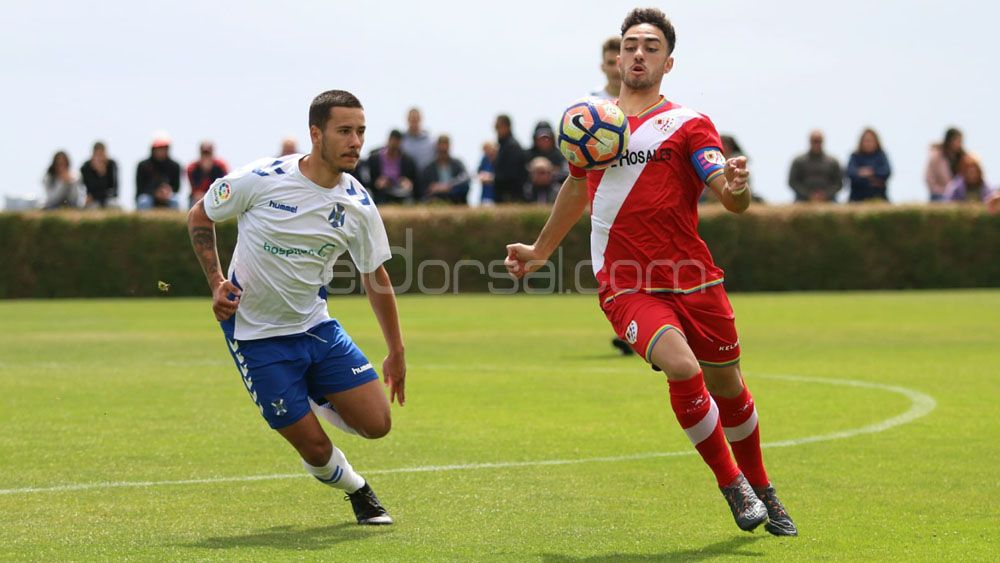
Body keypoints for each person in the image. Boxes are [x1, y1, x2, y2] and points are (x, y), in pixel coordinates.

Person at [504, 8, 796, 536]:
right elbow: (575, 188)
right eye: (630, 45)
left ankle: (762, 486)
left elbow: (727, 197)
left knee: (728, 386)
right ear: (617, 57)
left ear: (668, 61)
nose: (638, 53)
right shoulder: (589, 122)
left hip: (695, 278)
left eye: (650, 46)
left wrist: (738, 184)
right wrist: (542, 249)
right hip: (626, 283)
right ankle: (732, 483)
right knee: (683, 369)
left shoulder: (689, 124)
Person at [186, 89, 405, 525]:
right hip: (256, 336)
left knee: (378, 424)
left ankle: (312, 389)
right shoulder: (261, 179)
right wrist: (216, 282)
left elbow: (376, 278)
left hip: (315, 328)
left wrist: (396, 350)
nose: (355, 141)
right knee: (318, 450)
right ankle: (357, 489)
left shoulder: (358, 204)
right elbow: (200, 215)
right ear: (315, 133)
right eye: (344, 131)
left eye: (361, 131)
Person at [788, 130, 843, 202]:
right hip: (802, 200)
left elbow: (838, 184)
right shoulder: (799, 161)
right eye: (814, 141)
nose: (816, 144)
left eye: (819, 141)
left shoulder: (833, 162)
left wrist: (826, 195)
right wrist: (808, 195)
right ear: (809, 141)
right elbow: (792, 182)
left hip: (829, 201)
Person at [366, 130, 417, 204]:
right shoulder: (374, 159)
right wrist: (377, 183)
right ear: (388, 140)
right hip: (380, 195)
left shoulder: (408, 161)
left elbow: (416, 182)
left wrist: (409, 184)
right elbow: (367, 181)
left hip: (402, 194)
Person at [420, 134, 470, 204]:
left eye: (445, 145)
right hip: (435, 201)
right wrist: (434, 188)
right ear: (436, 147)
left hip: (456, 199)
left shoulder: (457, 164)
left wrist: (449, 186)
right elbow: (423, 188)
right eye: (441, 146)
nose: (443, 148)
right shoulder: (428, 168)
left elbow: (465, 178)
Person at [136, 133, 181, 210]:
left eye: (164, 148)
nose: (162, 151)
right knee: (143, 201)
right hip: (149, 196)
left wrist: (168, 191)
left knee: (175, 200)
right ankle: (143, 222)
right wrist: (155, 192)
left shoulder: (174, 166)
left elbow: (177, 187)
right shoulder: (143, 165)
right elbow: (140, 188)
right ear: (153, 149)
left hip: (168, 196)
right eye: (159, 148)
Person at [845, 128, 892, 202]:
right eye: (866, 141)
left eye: (871, 141)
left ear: (876, 142)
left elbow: (886, 171)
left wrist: (869, 172)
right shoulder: (855, 156)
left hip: (879, 197)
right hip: (857, 198)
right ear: (861, 142)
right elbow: (850, 173)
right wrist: (874, 179)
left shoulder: (881, 155)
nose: (868, 143)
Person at [493, 114, 528, 203]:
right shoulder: (504, 145)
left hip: (511, 197)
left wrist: (493, 178)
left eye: (498, 126)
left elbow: (512, 175)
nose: (496, 130)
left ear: (507, 127)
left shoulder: (512, 147)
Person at [925, 127, 964, 202]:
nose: (959, 144)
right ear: (949, 141)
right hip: (939, 195)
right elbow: (929, 178)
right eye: (957, 141)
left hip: (958, 196)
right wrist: (942, 191)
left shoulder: (962, 157)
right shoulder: (936, 157)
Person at [187, 141, 229, 207]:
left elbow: (225, 186)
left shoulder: (221, 166)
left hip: (217, 196)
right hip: (198, 198)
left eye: (208, 153)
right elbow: (195, 190)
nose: (206, 156)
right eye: (204, 153)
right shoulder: (192, 168)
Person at [79, 141, 119, 208]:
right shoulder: (86, 167)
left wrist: (102, 174)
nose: (100, 158)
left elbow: (114, 189)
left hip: (108, 199)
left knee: (114, 205)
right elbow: (88, 189)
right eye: (98, 155)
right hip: (92, 201)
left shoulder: (112, 165)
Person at [477, 141, 498, 205]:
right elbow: (478, 172)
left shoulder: (498, 160)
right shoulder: (484, 160)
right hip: (485, 195)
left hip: (496, 195)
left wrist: (490, 178)